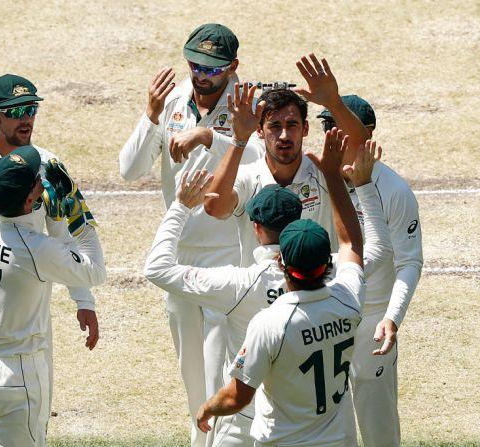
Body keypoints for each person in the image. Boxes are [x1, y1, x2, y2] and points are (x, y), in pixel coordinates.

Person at [147, 135, 391, 446]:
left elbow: (157, 268)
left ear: (256, 227)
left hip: (258, 426)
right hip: (337, 434)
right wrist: (359, 183)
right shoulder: (346, 294)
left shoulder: (245, 291)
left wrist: (181, 207)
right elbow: (365, 247)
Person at [0, 74, 100, 446]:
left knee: (34, 423)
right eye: (16, 113)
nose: (27, 119)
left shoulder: (47, 166)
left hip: (30, 315)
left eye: (32, 109)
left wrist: (83, 301)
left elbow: (62, 235)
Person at [119, 23, 262, 446]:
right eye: (195, 65)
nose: (201, 75)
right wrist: (150, 114)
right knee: (192, 378)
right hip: (180, 261)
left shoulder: (247, 104)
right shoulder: (172, 100)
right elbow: (130, 169)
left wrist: (209, 137)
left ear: (233, 68)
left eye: (213, 69)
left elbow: (262, 156)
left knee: (223, 372)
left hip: (228, 258)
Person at [0, 146, 106, 447]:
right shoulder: (35, 250)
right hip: (16, 380)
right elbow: (95, 271)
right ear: (28, 200)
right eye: (36, 181)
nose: (41, 180)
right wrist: (75, 209)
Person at [316, 95, 423, 447]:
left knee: (378, 429)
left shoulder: (394, 191)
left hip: (372, 322)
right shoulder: (317, 176)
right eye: (326, 126)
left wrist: (392, 318)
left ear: (367, 136)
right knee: (324, 421)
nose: (330, 135)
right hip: (324, 314)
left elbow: (409, 262)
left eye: (338, 128)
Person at [204, 53, 370, 268]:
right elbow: (215, 207)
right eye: (274, 126)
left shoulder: (324, 170)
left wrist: (333, 102)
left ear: (306, 129)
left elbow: (361, 150)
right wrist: (239, 139)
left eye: (292, 125)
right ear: (260, 131)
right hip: (262, 298)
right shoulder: (248, 177)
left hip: (317, 295)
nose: (283, 135)